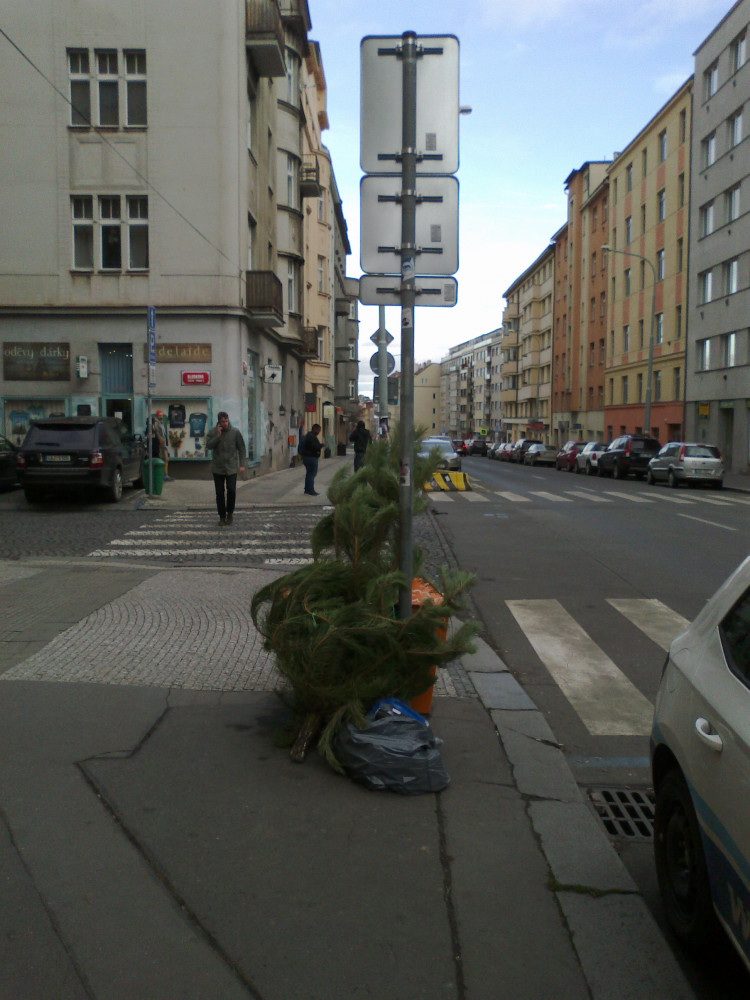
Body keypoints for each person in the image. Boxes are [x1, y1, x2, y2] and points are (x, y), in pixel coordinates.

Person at [205, 411, 246, 525]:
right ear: (219, 422)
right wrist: (218, 436)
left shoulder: (235, 432)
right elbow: (208, 445)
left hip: (231, 467)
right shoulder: (213, 432)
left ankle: (230, 513)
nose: (225, 423)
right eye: (223, 421)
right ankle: (222, 516)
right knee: (219, 493)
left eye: (226, 421)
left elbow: (241, 448)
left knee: (231, 490)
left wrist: (242, 464)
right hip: (217, 468)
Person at [299, 423, 322, 496]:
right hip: (311, 458)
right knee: (312, 474)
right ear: (315, 429)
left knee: (309, 474)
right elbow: (314, 447)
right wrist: (321, 445)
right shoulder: (311, 437)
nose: (319, 432)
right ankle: (311, 490)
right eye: (318, 430)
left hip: (306, 457)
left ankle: (307, 489)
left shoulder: (308, 436)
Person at [154, 409, 171, 480]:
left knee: (166, 459)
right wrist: (161, 440)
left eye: (162, 415)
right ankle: (163, 474)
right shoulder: (156, 423)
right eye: (160, 415)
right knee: (163, 459)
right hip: (161, 444)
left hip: (163, 443)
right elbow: (157, 433)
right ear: (157, 416)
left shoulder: (161, 423)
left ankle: (165, 474)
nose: (161, 416)